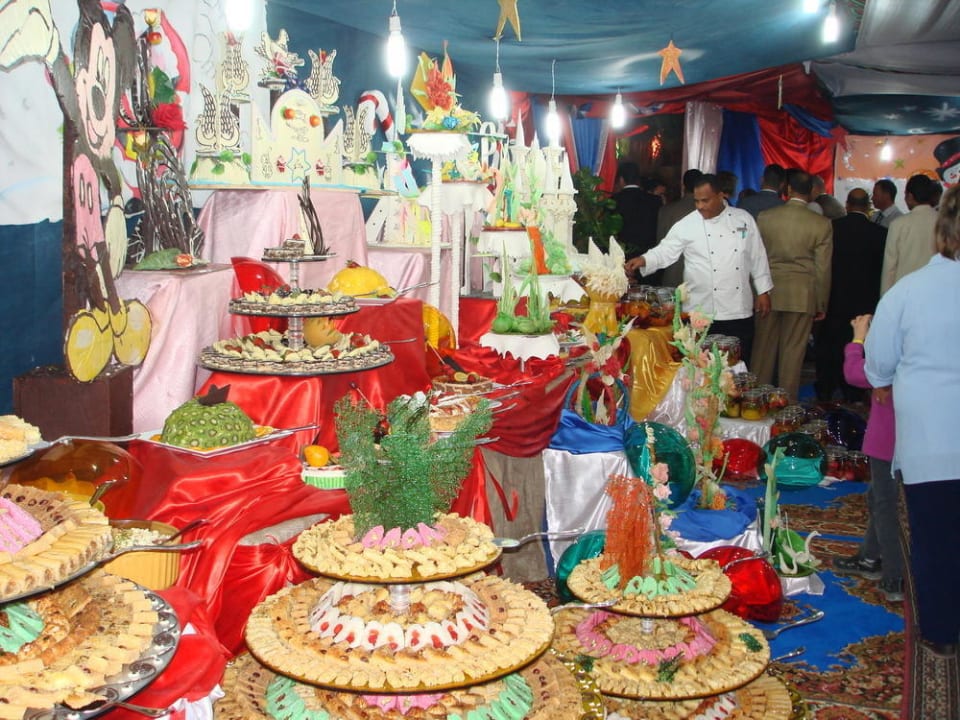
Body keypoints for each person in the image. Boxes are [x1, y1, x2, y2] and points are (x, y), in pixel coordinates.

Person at [864, 183, 960, 658]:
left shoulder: (911, 290)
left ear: (942, 232)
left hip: (932, 437)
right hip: (934, 433)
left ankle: (942, 632)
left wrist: (884, 378)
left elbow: (877, 362)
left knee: (935, 536)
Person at [624, 174, 773, 362]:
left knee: (735, 366)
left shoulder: (743, 219)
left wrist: (763, 290)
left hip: (737, 308)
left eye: (705, 200)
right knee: (698, 367)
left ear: (721, 196)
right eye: (696, 201)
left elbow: (757, 255)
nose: (700, 206)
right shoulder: (688, 224)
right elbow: (666, 250)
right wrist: (644, 259)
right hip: (700, 310)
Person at [833, 314, 903, 603]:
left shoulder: (894, 355)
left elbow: (855, 373)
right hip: (904, 439)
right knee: (879, 497)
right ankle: (870, 557)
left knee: (887, 505)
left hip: (890, 441)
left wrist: (858, 339)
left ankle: (896, 576)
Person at [751, 170, 833, 402]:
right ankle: (785, 410)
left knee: (762, 353)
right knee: (793, 356)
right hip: (802, 294)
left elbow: (755, 258)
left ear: (787, 189)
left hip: (768, 291)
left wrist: (756, 292)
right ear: (812, 193)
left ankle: (757, 403)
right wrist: (821, 302)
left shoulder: (766, 217)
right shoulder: (821, 223)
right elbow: (823, 268)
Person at [814, 188, 886, 402]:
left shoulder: (832, 228)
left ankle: (826, 388)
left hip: (834, 297)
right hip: (865, 301)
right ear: (868, 206)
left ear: (847, 205)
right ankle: (853, 390)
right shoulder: (880, 233)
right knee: (858, 342)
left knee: (829, 345)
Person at [880, 173, 938, 294]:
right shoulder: (944, 222)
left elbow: (889, 268)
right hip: (936, 291)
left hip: (904, 293)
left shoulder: (898, 224)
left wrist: (885, 300)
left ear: (910, 196)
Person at [613, 161, 661, 278]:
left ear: (621, 180)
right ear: (638, 180)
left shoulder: (613, 202)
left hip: (622, 263)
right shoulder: (655, 201)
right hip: (648, 261)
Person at [656, 168, 702, 287]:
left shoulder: (667, 210)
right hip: (702, 278)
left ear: (683, 185)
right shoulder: (711, 212)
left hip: (673, 275)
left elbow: (660, 246)